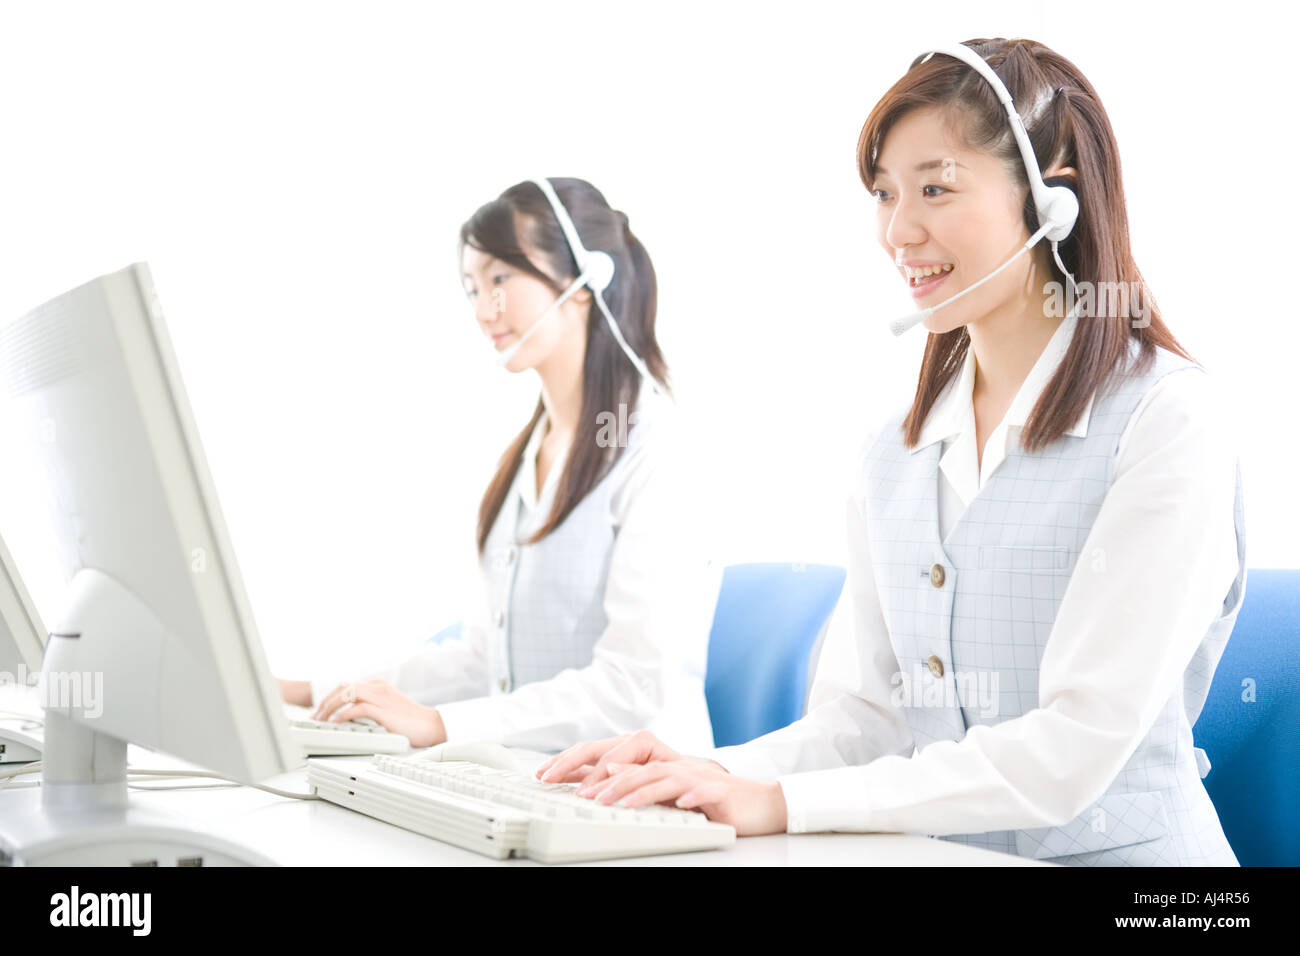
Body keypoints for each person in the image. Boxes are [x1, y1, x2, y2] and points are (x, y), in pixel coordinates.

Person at [537, 38, 1246, 867]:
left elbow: (1074, 749)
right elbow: (869, 720)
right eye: (884, 194)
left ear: (1055, 199)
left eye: (936, 189)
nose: (899, 230)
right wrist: (707, 772)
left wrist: (779, 804)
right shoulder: (894, 450)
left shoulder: (1167, 421)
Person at [280, 177, 715, 754]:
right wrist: (314, 691)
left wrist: (439, 726)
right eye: (472, 287)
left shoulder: (656, 450)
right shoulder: (528, 454)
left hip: (643, 791)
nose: (485, 310)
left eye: (501, 279)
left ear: (584, 280)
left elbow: (632, 689)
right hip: (536, 778)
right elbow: (485, 660)